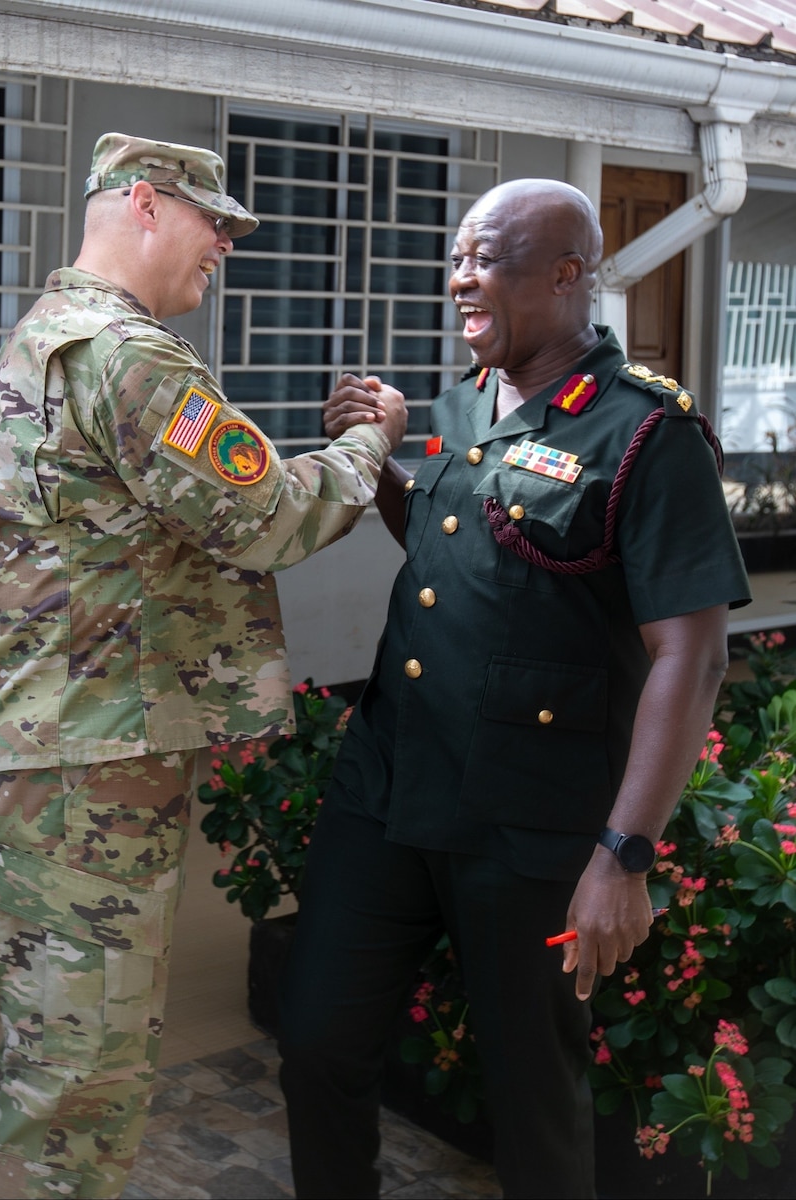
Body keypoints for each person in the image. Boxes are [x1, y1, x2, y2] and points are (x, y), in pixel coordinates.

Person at [277, 178, 751, 1199]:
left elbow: (693, 656)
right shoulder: (457, 407)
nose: (457, 280)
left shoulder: (645, 435)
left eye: (482, 259)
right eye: (454, 259)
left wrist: (624, 854)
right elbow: (467, 544)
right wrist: (386, 466)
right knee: (317, 1043)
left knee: (532, 1091)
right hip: (390, 791)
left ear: (567, 275)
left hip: (532, 823)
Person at [0, 132, 406, 1200]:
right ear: (147, 204)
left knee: (57, 1065)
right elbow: (269, 517)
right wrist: (371, 441)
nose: (227, 249)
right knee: (79, 1089)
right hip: (86, 769)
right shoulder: (126, 355)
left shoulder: (45, 340)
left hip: (54, 753)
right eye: (217, 223)